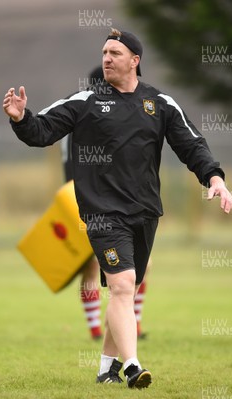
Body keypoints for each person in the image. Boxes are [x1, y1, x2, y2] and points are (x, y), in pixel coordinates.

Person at [4, 28, 232, 389]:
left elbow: (193, 146)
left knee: (124, 291)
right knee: (123, 285)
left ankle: (106, 368)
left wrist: (215, 179)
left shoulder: (159, 104)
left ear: (135, 61)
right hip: (102, 215)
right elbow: (42, 131)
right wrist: (20, 118)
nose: (107, 58)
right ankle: (131, 366)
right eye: (104, 52)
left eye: (115, 52)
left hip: (145, 214)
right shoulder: (86, 101)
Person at [60, 65, 151, 341]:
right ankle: (99, 327)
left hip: (106, 199)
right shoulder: (84, 111)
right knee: (94, 265)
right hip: (89, 199)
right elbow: (72, 161)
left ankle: (127, 323)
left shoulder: (100, 110)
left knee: (134, 267)